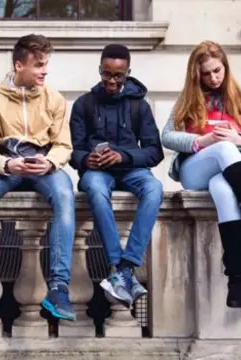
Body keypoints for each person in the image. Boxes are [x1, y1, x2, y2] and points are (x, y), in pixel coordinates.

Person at [0, 34, 76, 321]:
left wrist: (48, 162)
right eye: (38, 65)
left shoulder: (55, 99)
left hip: (43, 167)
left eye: (46, 64)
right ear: (19, 65)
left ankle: (59, 287)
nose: (44, 71)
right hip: (6, 167)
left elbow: (64, 146)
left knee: (64, 194)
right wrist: (8, 164)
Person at [161, 40, 241, 308]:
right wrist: (202, 141)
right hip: (195, 169)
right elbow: (166, 136)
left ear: (225, 67)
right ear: (197, 74)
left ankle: (237, 279)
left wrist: (238, 138)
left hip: (226, 171)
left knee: (224, 190)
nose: (214, 78)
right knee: (224, 150)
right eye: (207, 73)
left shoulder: (240, 97)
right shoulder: (189, 98)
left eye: (218, 70)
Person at [69, 44, 164, 308]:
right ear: (100, 70)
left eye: (118, 76)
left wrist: (123, 156)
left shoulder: (139, 106)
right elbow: (71, 150)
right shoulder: (83, 104)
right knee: (97, 192)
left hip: (131, 169)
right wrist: (86, 159)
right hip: (97, 171)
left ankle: (126, 266)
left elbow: (155, 152)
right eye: (106, 74)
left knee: (154, 188)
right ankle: (116, 265)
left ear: (127, 73)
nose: (111, 81)